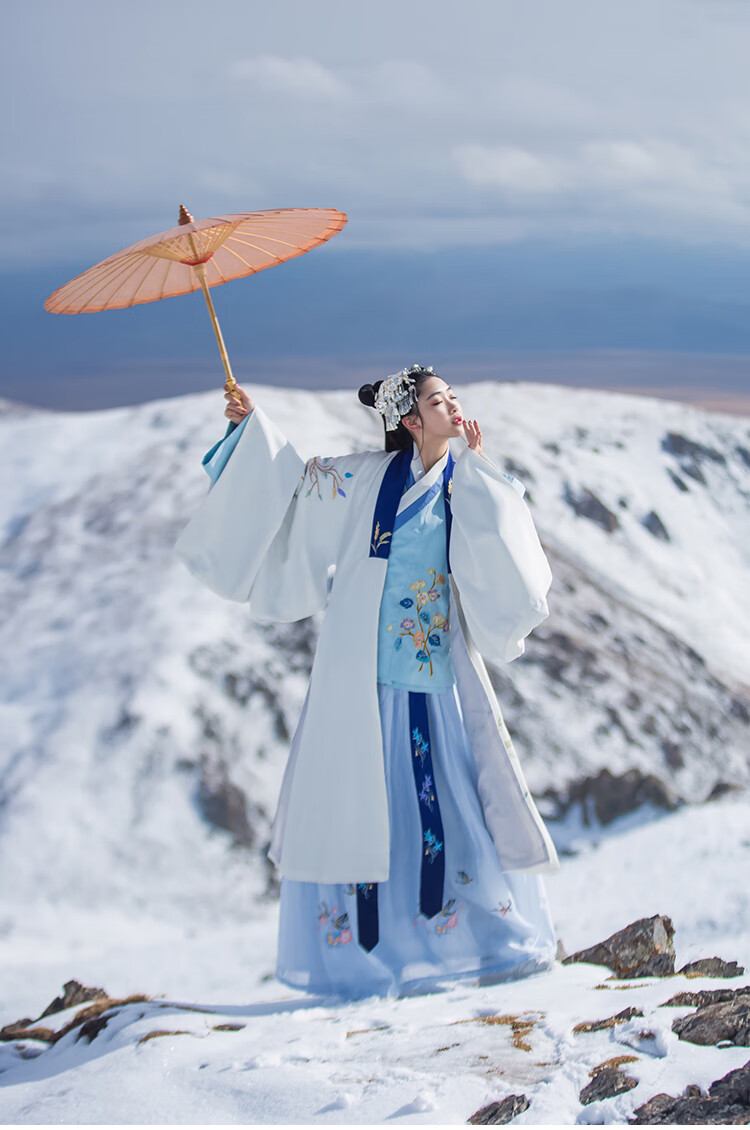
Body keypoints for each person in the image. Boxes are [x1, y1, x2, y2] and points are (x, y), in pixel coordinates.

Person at [174, 364, 560, 998]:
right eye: (439, 401)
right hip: (366, 681)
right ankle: (372, 954)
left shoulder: (464, 481)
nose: (452, 406)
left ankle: (473, 937)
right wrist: (250, 434)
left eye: (451, 396)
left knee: (450, 805)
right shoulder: (362, 478)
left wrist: (482, 466)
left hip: (434, 676)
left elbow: (503, 543)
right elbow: (294, 490)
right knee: (363, 809)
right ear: (409, 420)